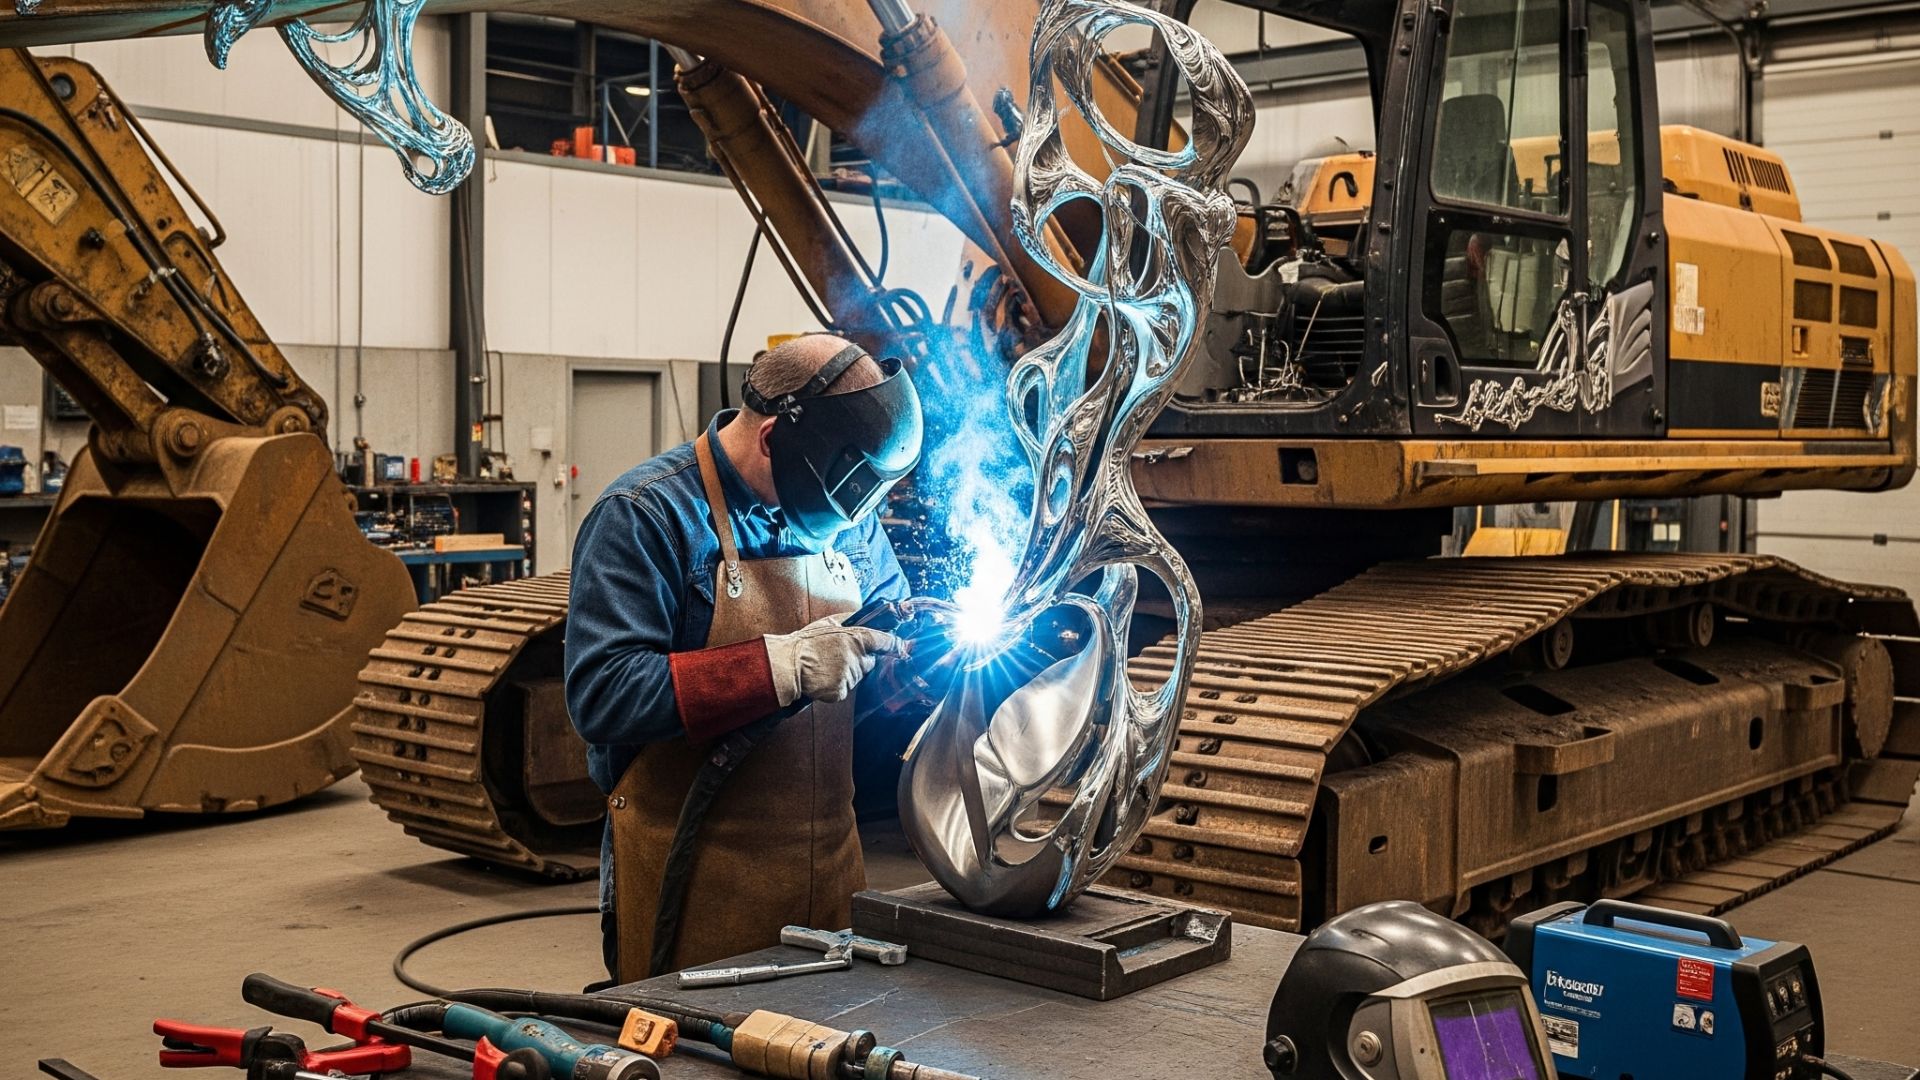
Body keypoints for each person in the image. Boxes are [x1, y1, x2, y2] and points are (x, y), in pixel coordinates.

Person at [565, 334, 922, 983]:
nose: (855, 519)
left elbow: (890, 635)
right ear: (772, 441)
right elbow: (604, 695)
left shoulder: (853, 518)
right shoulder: (647, 515)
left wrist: (922, 664)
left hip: (832, 874)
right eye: (843, 496)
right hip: (690, 880)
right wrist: (782, 667)